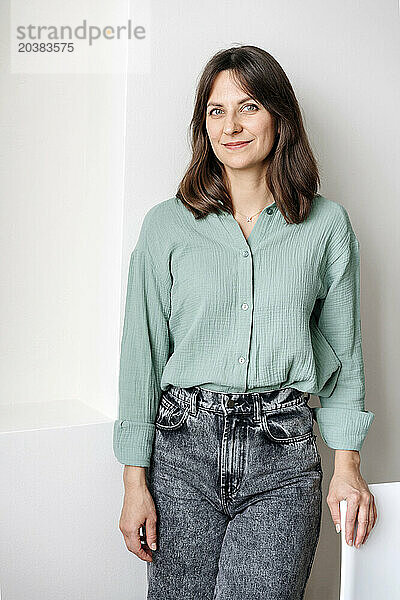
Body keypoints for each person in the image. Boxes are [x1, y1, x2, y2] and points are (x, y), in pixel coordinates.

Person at [113, 45, 377, 599]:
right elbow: (142, 356)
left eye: (248, 106)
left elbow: (344, 355)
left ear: (280, 118)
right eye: (216, 110)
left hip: (282, 459)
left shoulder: (326, 226)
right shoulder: (166, 226)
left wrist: (346, 466)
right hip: (182, 454)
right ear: (201, 124)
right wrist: (135, 481)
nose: (230, 125)